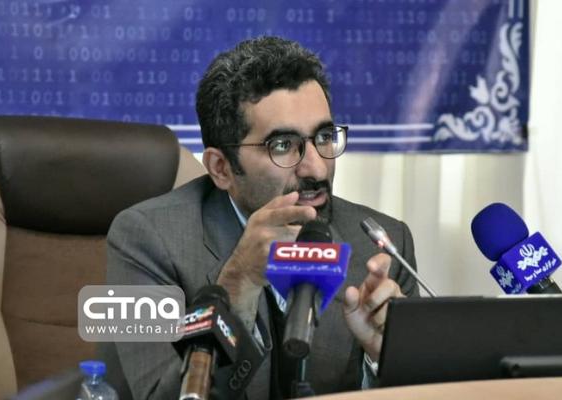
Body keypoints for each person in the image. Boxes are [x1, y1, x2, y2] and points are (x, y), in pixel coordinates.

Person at [104, 36, 419, 399]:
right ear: (221, 168)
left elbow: (430, 390)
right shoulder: (145, 240)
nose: (316, 168)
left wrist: (382, 361)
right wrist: (237, 284)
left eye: (324, 137)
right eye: (282, 145)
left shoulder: (381, 243)